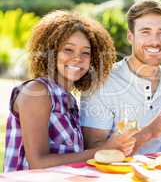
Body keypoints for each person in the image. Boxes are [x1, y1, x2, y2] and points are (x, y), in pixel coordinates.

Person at [4, 10, 136, 172]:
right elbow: (38, 163)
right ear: (50, 52)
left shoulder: (69, 99)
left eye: (85, 53)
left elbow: (73, 157)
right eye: (68, 49)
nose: (77, 58)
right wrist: (102, 150)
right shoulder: (37, 92)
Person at [80, 0, 161, 155]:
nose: (154, 41)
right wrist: (148, 132)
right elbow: (94, 152)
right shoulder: (103, 81)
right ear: (130, 36)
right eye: (145, 32)